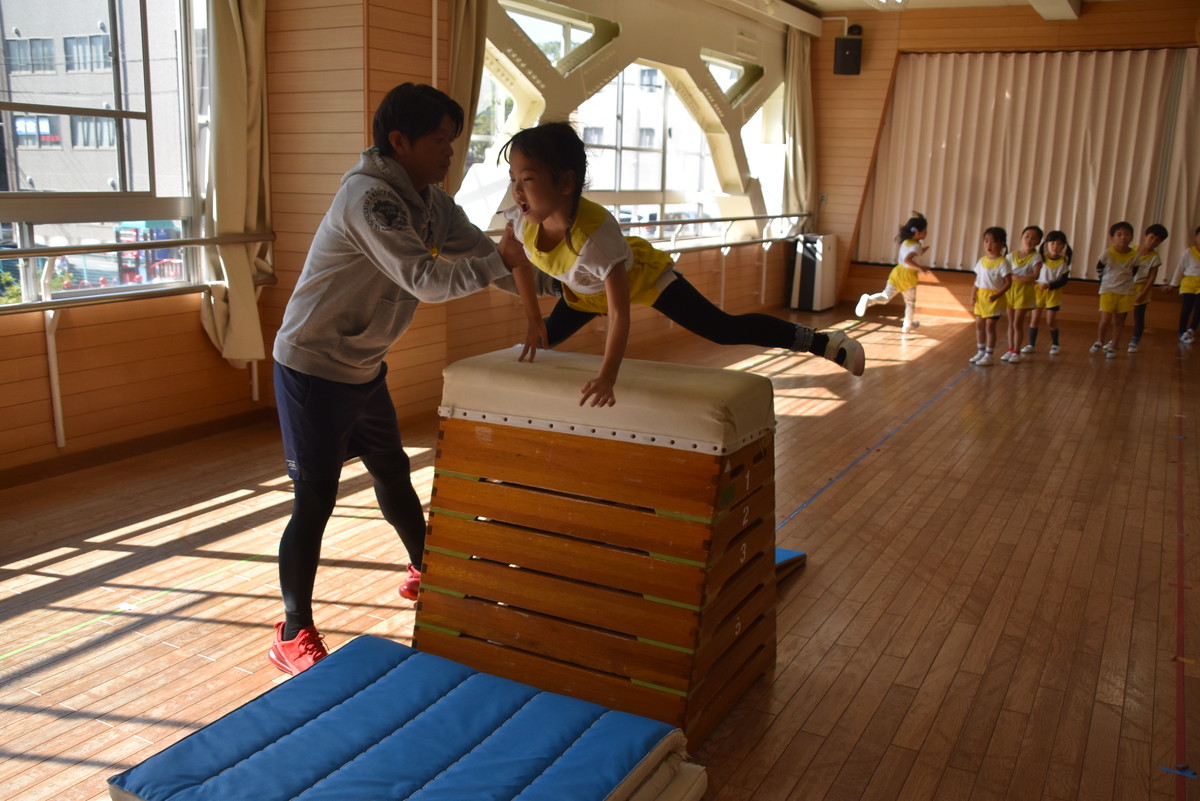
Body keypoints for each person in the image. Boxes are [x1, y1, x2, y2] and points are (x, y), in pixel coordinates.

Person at [267, 83, 547, 675]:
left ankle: (424, 569)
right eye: (440, 140)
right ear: (400, 141)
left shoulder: (432, 202)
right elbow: (427, 279)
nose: (451, 151)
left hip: (362, 365)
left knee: (392, 470)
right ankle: (292, 631)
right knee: (315, 500)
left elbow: (486, 257)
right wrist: (504, 260)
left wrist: (570, 284)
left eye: (453, 139)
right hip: (313, 365)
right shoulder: (370, 200)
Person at [494, 121, 865, 407]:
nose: (517, 190)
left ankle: (822, 342)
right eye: (513, 179)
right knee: (539, 340)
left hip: (642, 279)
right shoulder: (522, 221)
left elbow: (620, 315)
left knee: (722, 329)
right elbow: (519, 262)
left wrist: (607, 376)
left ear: (565, 184)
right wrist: (533, 318)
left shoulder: (596, 237)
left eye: (527, 179)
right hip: (583, 293)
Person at [855, 213, 930, 333]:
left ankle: (868, 300)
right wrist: (920, 268)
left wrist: (922, 250)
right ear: (917, 233)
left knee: (885, 296)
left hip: (897, 273)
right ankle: (908, 325)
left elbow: (911, 253)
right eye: (925, 231)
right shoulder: (916, 246)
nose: (926, 233)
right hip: (908, 277)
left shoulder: (907, 242)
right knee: (910, 303)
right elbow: (907, 260)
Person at [1090, 221, 1139, 359]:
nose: (1123, 237)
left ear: (1131, 237)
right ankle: (1100, 340)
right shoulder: (1107, 253)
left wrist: (1125, 281)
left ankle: (1114, 346)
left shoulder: (1135, 255)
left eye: (1127, 234)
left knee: (1119, 321)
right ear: (1113, 238)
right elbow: (1099, 268)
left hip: (1125, 291)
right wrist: (1105, 281)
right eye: (1119, 234)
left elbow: (1134, 270)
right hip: (1108, 290)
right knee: (1105, 319)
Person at [1024, 230, 1072, 355]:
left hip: (1053, 294)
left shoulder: (1063, 262)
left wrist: (1050, 285)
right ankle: (1031, 345)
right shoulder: (1040, 258)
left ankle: (1055, 344)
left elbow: (1063, 281)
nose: (1055, 246)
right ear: (1047, 244)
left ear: (1063, 246)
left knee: (1050, 321)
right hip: (1038, 292)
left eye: (1059, 244)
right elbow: (1033, 273)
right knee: (1034, 320)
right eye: (1052, 243)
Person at [969, 227, 1011, 366]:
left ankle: (989, 354)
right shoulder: (981, 261)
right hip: (981, 297)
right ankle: (980, 351)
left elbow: (1008, 283)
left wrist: (996, 295)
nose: (989, 244)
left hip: (994, 298)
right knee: (979, 325)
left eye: (993, 241)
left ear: (1002, 244)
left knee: (990, 326)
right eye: (986, 241)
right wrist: (973, 295)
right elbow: (977, 281)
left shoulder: (1003, 262)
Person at [1002, 225, 1042, 362]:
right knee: (1010, 322)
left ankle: (1017, 351)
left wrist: (1017, 278)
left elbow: (1035, 276)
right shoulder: (1010, 256)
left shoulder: (1036, 257)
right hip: (1010, 290)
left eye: (1033, 238)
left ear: (1038, 241)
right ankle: (1010, 349)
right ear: (1021, 238)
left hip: (1024, 292)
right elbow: (1004, 273)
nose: (1029, 240)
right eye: (1027, 236)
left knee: (1017, 323)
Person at [1127, 223, 1168, 352]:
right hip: (1127, 286)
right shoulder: (1132, 250)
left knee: (1139, 316)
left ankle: (1135, 341)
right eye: (1151, 237)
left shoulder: (1155, 257)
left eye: (1157, 240)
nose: (1153, 241)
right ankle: (1114, 339)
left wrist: (1143, 293)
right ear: (1145, 236)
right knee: (1121, 314)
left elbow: (1152, 277)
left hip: (1142, 287)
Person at [1164, 225, 1200, 344]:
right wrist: (1173, 284)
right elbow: (1179, 269)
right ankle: (1181, 332)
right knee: (1186, 308)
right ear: (1196, 237)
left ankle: (1191, 330)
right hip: (1188, 283)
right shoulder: (1188, 252)